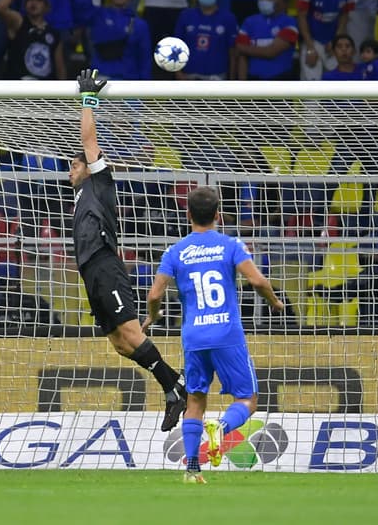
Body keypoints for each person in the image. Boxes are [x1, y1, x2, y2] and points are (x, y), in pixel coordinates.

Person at [71, 69, 186, 430]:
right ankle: (174, 385)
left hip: (105, 264)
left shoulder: (100, 182)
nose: (70, 170)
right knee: (120, 344)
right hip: (91, 272)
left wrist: (89, 100)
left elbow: (89, 142)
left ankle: (175, 389)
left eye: (74, 165)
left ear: (88, 168)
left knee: (132, 334)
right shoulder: (79, 196)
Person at [145, 186, 284, 483]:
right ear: (218, 215)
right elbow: (257, 280)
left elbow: (154, 293)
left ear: (188, 215)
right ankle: (221, 427)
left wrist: (153, 316)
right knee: (247, 399)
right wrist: (274, 302)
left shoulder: (175, 251)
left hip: (194, 336)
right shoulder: (230, 245)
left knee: (195, 400)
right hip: (227, 334)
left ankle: (192, 468)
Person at [296, 0, 355, 80]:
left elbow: (344, 14)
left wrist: (336, 40)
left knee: (336, 82)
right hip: (312, 38)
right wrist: (310, 47)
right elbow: (301, 16)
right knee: (312, 88)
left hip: (333, 38)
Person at [174, 0, 239, 80]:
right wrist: (178, 74)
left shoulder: (228, 18)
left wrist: (231, 81)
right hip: (188, 76)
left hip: (217, 77)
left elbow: (233, 52)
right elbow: (176, 46)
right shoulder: (185, 15)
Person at [0, 0, 64, 81]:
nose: (33, 3)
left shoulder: (54, 34)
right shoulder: (19, 23)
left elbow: (60, 69)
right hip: (18, 87)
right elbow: (0, 7)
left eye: (39, 0)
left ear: (46, 6)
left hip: (43, 90)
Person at [236, 0, 299, 81]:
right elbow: (243, 58)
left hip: (280, 81)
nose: (264, 1)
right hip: (253, 81)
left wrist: (243, 48)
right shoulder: (249, 22)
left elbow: (270, 52)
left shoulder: (289, 23)